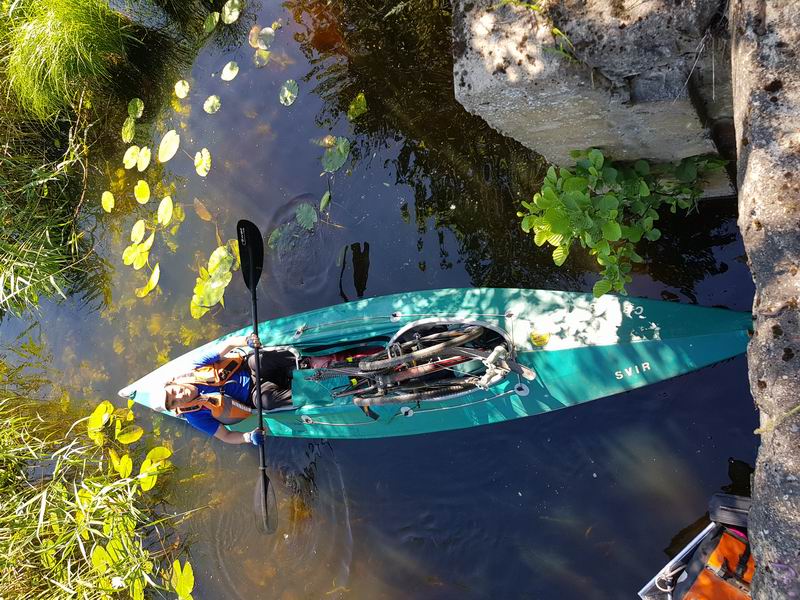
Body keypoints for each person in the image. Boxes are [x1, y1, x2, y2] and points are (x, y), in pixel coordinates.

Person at [152, 333, 295, 445]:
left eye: (172, 392)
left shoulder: (195, 366)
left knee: (260, 360)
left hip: (249, 369)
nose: (178, 397)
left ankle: (302, 359)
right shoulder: (195, 417)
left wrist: (247, 340)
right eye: (173, 403)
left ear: (171, 383)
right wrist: (249, 437)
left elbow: (230, 343)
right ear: (174, 408)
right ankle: (308, 390)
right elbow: (226, 436)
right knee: (267, 402)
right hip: (253, 394)